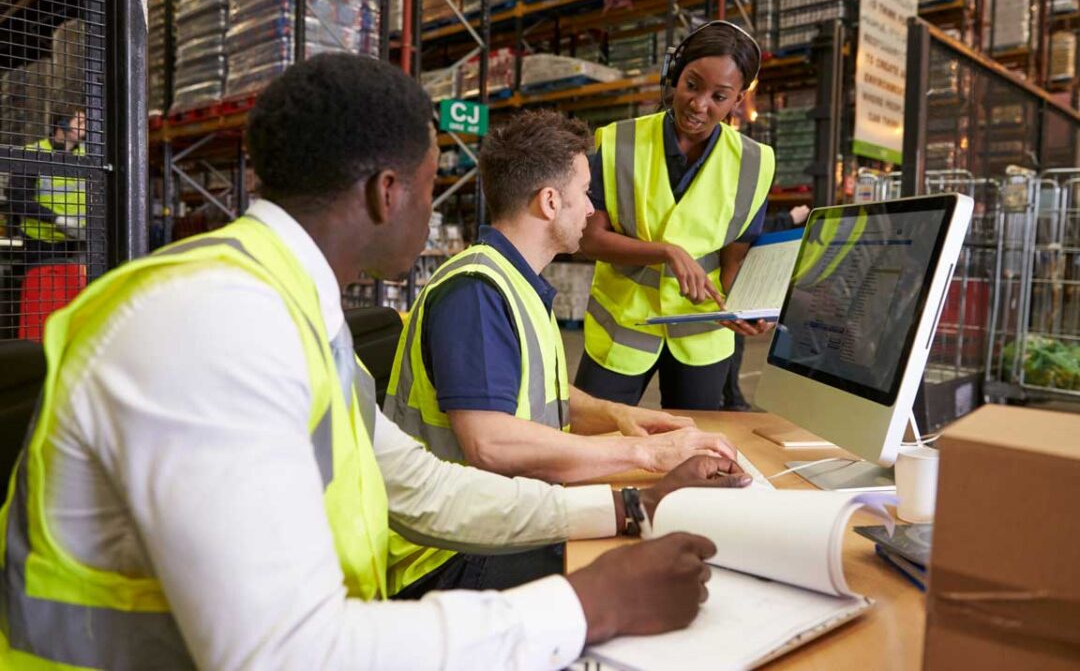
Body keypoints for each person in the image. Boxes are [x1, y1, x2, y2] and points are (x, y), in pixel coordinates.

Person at [0, 54, 753, 669]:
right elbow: (282, 653)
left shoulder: (294, 303)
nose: (438, 213)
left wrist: (629, 507)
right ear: (386, 193)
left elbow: (420, 487)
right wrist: (590, 604)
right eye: (431, 189)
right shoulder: (214, 322)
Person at [383, 109, 739, 595]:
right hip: (450, 555)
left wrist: (618, 416)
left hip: (499, 522)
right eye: (585, 193)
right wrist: (645, 453)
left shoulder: (513, 281)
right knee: (667, 558)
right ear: (550, 202)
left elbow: (537, 393)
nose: (592, 209)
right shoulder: (475, 292)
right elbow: (491, 443)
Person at [576, 21, 776, 410]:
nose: (700, 104)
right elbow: (589, 239)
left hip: (701, 334)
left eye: (719, 96)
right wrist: (665, 252)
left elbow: (734, 257)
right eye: (692, 85)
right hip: (623, 326)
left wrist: (745, 307)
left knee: (694, 450)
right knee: (590, 434)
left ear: (737, 101)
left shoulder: (755, 163)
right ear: (675, 76)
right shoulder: (617, 141)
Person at [722, 203, 813, 410]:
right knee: (732, 341)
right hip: (723, 291)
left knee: (733, 343)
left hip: (730, 288)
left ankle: (732, 398)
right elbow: (750, 229)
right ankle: (732, 400)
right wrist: (788, 219)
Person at [6, 107, 88, 263]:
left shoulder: (88, 155)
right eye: (80, 122)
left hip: (78, 242)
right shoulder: (33, 153)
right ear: (62, 125)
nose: (85, 127)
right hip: (40, 243)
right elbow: (17, 198)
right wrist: (56, 219)